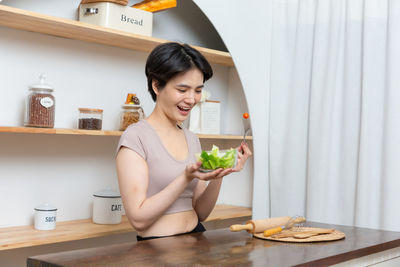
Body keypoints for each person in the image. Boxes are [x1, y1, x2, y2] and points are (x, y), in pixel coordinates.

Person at [116, 42, 252, 241]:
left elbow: (201, 212)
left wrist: (220, 172)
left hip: (197, 239)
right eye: (182, 89)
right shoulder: (135, 138)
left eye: (198, 90)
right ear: (156, 85)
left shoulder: (191, 138)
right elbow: (138, 219)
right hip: (155, 248)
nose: (191, 99)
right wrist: (185, 178)